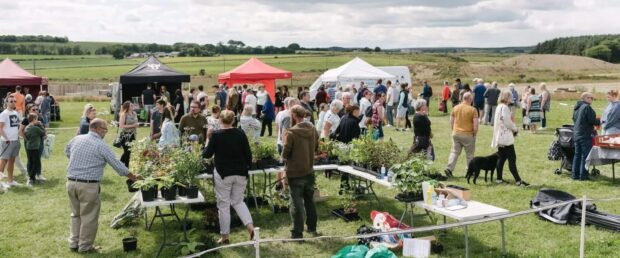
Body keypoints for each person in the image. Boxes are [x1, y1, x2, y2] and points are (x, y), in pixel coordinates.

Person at [65, 118, 138, 253]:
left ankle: (74, 243)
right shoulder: (101, 145)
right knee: (89, 217)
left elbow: (67, 152)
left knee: (75, 214)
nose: (106, 132)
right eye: (105, 129)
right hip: (88, 185)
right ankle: (85, 247)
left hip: (70, 183)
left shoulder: (76, 139)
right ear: (98, 129)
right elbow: (118, 166)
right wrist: (134, 177)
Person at [203, 110, 255, 244]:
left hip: (223, 174)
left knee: (224, 205)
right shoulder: (240, 133)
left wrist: (208, 138)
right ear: (233, 120)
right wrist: (247, 168)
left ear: (220, 120)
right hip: (240, 172)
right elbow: (248, 154)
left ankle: (225, 236)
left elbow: (207, 154)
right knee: (238, 201)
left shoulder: (216, 135)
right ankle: (250, 227)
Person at [282, 105, 321, 239]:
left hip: (295, 172)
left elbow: (285, 153)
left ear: (294, 115)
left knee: (296, 204)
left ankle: (297, 233)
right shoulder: (313, 129)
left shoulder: (291, 133)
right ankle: (312, 228)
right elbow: (316, 147)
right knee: (309, 201)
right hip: (309, 170)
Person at [492, 91, 529, 186]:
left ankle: (499, 179)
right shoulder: (504, 107)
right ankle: (518, 181)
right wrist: (515, 129)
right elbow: (508, 122)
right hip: (505, 137)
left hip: (500, 136)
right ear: (507, 97)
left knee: (501, 158)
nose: (512, 98)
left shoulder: (499, 106)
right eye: (511, 97)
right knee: (512, 159)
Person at [444, 92, 479, 177]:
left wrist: (453, 130)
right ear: (470, 99)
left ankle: (449, 168)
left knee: (454, 152)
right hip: (468, 134)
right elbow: (475, 125)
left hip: (456, 133)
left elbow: (451, 121)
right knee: (469, 155)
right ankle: (470, 171)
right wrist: (474, 133)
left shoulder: (455, 107)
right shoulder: (473, 110)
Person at [572, 92, 600, 181]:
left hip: (576, 134)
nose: (591, 100)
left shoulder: (577, 107)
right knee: (585, 156)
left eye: (592, 98)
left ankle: (575, 175)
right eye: (590, 98)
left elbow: (574, 119)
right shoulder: (587, 107)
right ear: (584, 98)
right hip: (585, 135)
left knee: (577, 155)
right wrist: (600, 121)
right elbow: (593, 120)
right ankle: (583, 176)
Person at [0, 95, 23, 189]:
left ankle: (10, 181)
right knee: (3, 162)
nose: (13, 103)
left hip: (15, 140)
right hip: (7, 141)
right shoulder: (3, 114)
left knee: (12, 162)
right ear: (7, 103)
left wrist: (18, 135)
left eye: (14, 101)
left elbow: (16, 126)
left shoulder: (15, 113)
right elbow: (0, 128)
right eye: (11, 101)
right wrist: (6, 138)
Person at [20, 104, 44, 181]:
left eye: (37, 109)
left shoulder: (39, 118)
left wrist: (45, 135)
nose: (36, 111)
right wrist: (27, 139)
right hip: (30, 143)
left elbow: (43, 130)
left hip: (39, 141)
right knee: (30, 159)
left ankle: (38, 174)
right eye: (33, 110)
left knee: (38, 158)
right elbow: (20, 131)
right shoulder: (26, 119)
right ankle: (30, 176)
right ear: (28, 110)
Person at [24, 113, 46, 186]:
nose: (37, 120)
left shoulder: (27, 128)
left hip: (29, 147)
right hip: (35, 147)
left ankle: (32, 178)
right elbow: (43, 132)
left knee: (30, 162)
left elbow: (26, 137)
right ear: (34, 120)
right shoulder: (35, 128)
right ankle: (31, 178)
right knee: (36, 163)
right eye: (36, 119)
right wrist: (40, 125)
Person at [118, 101, 138, 168]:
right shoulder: (124, 114)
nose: (133, 107)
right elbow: (121, 126)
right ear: (127, 107)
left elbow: (136, 123)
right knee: (127, 151)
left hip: (133, 135)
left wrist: (135, 125)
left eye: (133, 105)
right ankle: (120, 163)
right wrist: (133, 125)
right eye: (131, 106)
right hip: (125, 135)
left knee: (130, 152)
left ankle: (126, 167)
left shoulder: (134, 113)